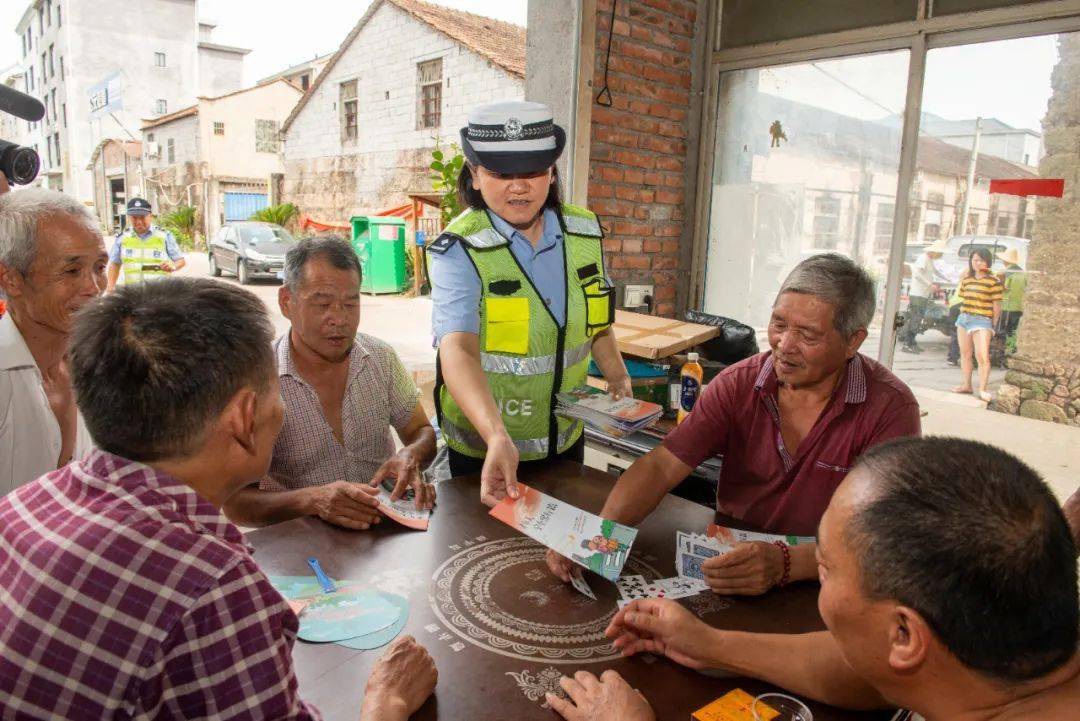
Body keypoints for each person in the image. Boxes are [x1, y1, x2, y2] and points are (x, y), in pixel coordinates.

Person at [0, 277, 437, 720]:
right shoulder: (214, 588)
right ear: (245, 417)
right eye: (273, 394)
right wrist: (388, 702)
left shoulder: (20, 509)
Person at [548, 437, 1079, 721]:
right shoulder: (989, 667)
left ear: (903, 634)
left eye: (823, 567)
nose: (814, 574)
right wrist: (711, 644)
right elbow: (874, 675)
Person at [548, 254, 921, 595]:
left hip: (829, 581)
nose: (784, 345)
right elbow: (662, 466)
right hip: (729, 567)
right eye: (778, 324)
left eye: (808, 335)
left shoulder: (889, 409)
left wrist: (786, 564)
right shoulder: (739, 383)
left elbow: (886, 537)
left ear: (854, 340)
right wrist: (601, 537)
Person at [427, 100, 631, 505]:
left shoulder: (585, 232)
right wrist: (496, 435)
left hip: (565, 442)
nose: (518, 187)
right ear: (475, 174)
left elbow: (597, 323)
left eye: (534, 171)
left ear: (552, 172)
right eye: (501, 173)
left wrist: (618, 376)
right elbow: (458, 349)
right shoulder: (460, 248)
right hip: (486, 454)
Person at [224, 237, 437, 529]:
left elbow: (421, 431)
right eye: (322, 303)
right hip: (300, 552)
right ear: (287, 302)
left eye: (351, 303)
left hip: (379, 537)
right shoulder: (256, 380)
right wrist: (313, 500)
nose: (339, 318)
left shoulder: (381, 359)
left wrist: (409, 455)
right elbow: (236, 504)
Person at [0, 188, 107, 494]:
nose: (94, 287)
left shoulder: (102, 369)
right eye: (72, 271)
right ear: (11, 279)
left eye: (99, 267)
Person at [952, 246, 1002, 402]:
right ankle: (966, 385)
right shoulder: (967, 279)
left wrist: (992, 324)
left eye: (981, 260)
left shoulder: (993, 281)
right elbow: (962, 297)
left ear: (987, 261)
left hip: (982, 320)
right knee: (965, 354)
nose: (977, 263)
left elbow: (997, 305)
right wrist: (964, 274)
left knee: (982, 356)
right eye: (974, 260)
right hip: (964, 319)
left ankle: (983, 389)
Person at [105, 196, 186, 289]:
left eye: (143, 217)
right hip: (132, 294)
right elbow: (115, 264)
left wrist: (173, 266)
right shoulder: (122, 238)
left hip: (159, 294)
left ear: (150, 216)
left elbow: (181, 261)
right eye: (134, 218)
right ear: (129, 217)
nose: (139, 222)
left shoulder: (164, 236)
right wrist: (110, 288)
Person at [899, 240, 948, 353]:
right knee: (915, 319)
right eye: (940, 253)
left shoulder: (929, 260)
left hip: (923, 294)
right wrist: (930, 284)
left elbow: (935, 272)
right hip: (918, 294)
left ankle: (912, 343)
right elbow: (917, 274)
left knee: (918, 318)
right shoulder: (923, 258)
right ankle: (908, 344)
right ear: (934, 251)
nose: (940, 255)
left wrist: (946, 279)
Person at [997, 247, 1027, 342]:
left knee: (1002, 333)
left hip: (1006, 307)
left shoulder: (1004, 273)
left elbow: (1001, 289)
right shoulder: (1023, 273)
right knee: (1013, 332)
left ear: (1005, 261)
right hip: (1019, 307)